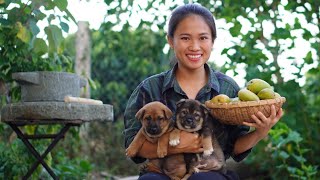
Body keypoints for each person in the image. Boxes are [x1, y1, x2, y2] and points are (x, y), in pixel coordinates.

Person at [123, 3, 283, 180]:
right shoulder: (150, 88)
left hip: (207, 171)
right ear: (170, 40)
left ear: (212, 41)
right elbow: (132, 146)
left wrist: (261, 132)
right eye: (185, 38)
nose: (194, 46)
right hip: (163, 170)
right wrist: (178, 147)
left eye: (203, 38)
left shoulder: (227, 88)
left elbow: (234, 147)